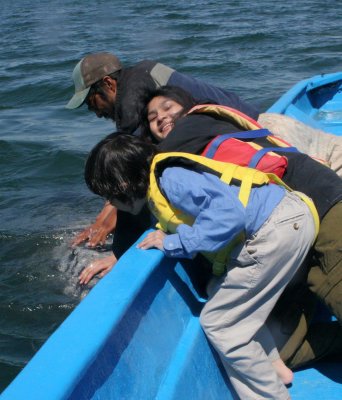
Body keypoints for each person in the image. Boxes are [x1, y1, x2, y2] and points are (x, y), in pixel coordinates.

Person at [84, 134, 317, 400]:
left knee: (220, 324)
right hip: (287, 220)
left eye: (109, 196)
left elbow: (230, 215)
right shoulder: (163, 178)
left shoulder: (171, 180)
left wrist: (175, 242)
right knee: (218, 289)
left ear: (123, 184)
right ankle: (274, 367)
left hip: (276, 229)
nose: (111, 204)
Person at [66, 52, 260, 282]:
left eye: (91, 103)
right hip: (247, 126)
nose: (96, 113)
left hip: (243, 144)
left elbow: (140, 173)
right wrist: (108, 210)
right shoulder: (141, 76)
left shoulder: (131, 104)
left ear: (108, 84)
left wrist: (121, 253)